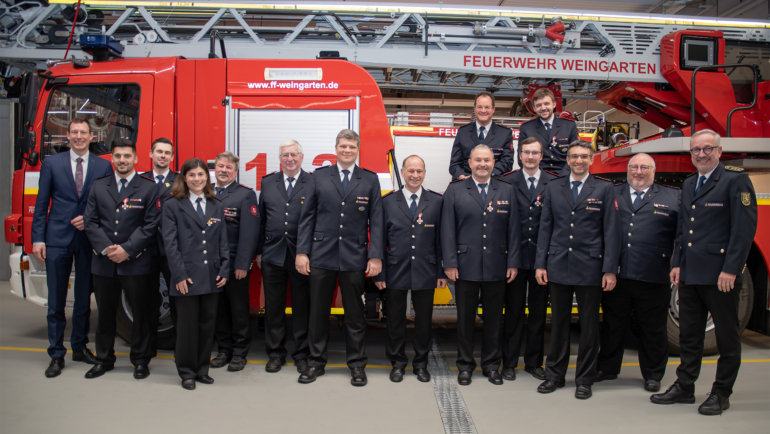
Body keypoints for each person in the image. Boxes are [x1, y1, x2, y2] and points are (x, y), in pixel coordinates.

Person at [652, 129, 757, 415]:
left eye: (707, 149)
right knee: (690, 335)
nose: (701, 154)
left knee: (726, 337)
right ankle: (685, 386)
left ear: (719, 151)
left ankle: (721, 393)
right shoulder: (689, 184)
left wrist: (731, 270)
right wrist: (677, 263)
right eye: (696, 150)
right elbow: (684, 228)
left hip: (719, 276)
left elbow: (743, 232)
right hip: (689, 274)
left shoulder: (736, 181)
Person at [295, 129, 384, 387]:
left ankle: (357, 365)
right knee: (318, 313)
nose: (347, 151)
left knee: (355, 315)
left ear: (358, 150)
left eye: (352, 147)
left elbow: (376, 220)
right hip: (321, 255)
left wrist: (375, 255)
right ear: (336, 148)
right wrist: (302, 252)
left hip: (354, 256)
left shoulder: (368, 179)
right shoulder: (319, 177)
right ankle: (315, 363)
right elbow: (307, 218)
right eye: (343, 146)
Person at [534, 140, 619, 400]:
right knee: (558, 324)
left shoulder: (604, 188)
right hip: (558, 265)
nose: (578, 161)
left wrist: (609, 270)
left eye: (583, 156)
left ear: (591, 159)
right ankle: (554, 376)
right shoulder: (554, 187)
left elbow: (611, 232)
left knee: (589, 326)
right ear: (567, 160)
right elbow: (545, 227)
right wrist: (540, 263)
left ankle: (584, 379)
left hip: (591, 268)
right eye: (574, 156)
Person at [32, 118, 114, 378]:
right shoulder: (51, 163)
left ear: (92, 136)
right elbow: (42, 201)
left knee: (83, 298)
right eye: (74, 132)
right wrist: (38, 239)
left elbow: (109, 204)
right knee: (55, 299)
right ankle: (56, 353)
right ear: (67, 136)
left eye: (84, 133)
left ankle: (79, 346)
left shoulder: (104, 165)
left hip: (89, 239)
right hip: (57, 238)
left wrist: (91, 221)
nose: (79, 136)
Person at [596, 153, 680, 392]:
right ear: (628, 169)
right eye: (634, 167)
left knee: (652, 328)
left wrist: (679, 263)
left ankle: (653, 374)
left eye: (644, 167)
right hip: (617, 275)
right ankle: (608, 368)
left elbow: (682, 236)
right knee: (613, 325)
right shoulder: (611, 193)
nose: (639, 172)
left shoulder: (673, 196)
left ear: (654, 171)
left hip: (653, 274)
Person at [441, 144, 520, 386]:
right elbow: (447, 230)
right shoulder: (454, 190)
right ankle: (465, 366)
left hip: (497, 265)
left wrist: (513, 263)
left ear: (493, 163)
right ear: (470, 162)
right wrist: (450, 263)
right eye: (478, 160)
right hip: (465, 266)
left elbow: (514, 230)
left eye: (487, 160)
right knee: (465, 320)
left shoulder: (507, 190)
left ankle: (491, 365)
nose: (483, 164)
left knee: (494, 320)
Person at [82, 139, 160, 379]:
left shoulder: (148, 187)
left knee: (141, 313)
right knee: (105, 313)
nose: (122, 160)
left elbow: (150, 225)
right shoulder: (99, 186)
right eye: (118, 156)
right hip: (104, 262)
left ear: (136, 159)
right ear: (112, 159)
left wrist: (127, 249)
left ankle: (140, 360)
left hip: (136, 261)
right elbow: (90, 222)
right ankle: (104, 359)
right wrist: (107, 248)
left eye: (127, 156)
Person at [374, 155, 447, 383]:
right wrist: (380, 273)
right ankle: (397, 363)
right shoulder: (387, 202)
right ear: (403, 172)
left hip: (427, 270)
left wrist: (442, 272)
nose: (415, 175)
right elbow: (379, 240)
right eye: (410, 171)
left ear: (425, 173)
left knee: (424, 321)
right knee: (395, 320)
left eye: (419, 171)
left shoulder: (436, 201)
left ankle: (421, 364)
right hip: (395, 270)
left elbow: (442, 240)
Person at [162, 158, 230, 390]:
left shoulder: (215, 205)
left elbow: (222, 241)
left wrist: (224, 269)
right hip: (187, 278)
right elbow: (170, 244)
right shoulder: (172, 205)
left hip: (211, 275)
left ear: (207, 178)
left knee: (206, 326)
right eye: (192, 175)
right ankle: (187, 372)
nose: (197, 179)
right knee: (187, 328)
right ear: (184, 178)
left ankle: (202, 369)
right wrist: (179, 275)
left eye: (201, 175)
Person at [501, 137, 559, 382]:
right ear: (519, 155)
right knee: (513, 312)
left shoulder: (555, 183)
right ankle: (509, 363)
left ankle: (534, 363)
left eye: (535, 153)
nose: (531, 157)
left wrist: (544, 261)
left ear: (541, 155)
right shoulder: (505, 181)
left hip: (542, 261)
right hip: (514, 259)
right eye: (526, 152)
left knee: (538, 314)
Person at [256, 140, 312, 374]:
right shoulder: (268, 182)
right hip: (272, 254)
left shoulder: (313, 182)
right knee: (274, 307)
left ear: (301, 157)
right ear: (280, 159)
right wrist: (258, 251)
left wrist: (307, 252)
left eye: (293, 154)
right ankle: (275, 354)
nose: (289, 158)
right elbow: (260, 219)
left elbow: (315, 219)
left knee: (302, 307)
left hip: (301, 255)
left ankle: (301, 354)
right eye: (285, 155)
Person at [209, 152, 259, 372]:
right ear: (215, 168)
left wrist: (242, 264)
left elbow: (249, 234)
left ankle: (239, 352)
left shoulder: (244, 196)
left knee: (238, 309)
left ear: (235, 172)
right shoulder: (205, 191)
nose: (224, 170)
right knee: (219, 310)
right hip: (210, 264)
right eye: (220, 166)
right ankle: (224, 349)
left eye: (229, 168)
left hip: (233, 264)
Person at [140, 137, 178, 353]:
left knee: (176, 302)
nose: (163, 156)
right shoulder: (140, 180)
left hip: (170, 251)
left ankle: (180, 349)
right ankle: (147, 350)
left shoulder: (181, 181)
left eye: (167, 153)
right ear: (151, 154)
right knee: (146, 302)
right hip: (144, 250)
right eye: (159, 152)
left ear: (172, 157)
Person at [448, 92, 514, 181]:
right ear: (474, 109)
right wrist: (461, 176)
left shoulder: (505, 133)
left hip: (493, 183)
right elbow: (454, 163)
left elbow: (507, 162)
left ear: (493, 109)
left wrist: (486, 176)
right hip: (467, 182)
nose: (483, 110)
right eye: (479, 107)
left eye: (487, 107)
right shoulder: (463, 132)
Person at [517, 88, 579, 174]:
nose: (543, 108)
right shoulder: (526, 128)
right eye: (538, 105)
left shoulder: (569, 126)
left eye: (546, 104)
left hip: (564, 177)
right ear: (534, 108)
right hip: (538, 178)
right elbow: (522, 159)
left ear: (554, 104)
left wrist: (563, 177)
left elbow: (576, 155)